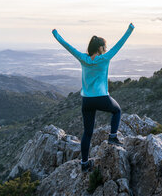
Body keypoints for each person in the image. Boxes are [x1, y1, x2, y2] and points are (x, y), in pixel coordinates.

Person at [51, 23, 135, 172]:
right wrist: (130, 30)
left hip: (87, 100)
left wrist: (56, 35)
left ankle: (84, 164)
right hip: (102, 97)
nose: (107, 49)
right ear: (100, 48)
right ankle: (113, 136)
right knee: (117, 111)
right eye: (105, 47)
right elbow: (119, 44)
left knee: (87, 133)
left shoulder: (83, 58)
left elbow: (68, 46)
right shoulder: (105, 58)